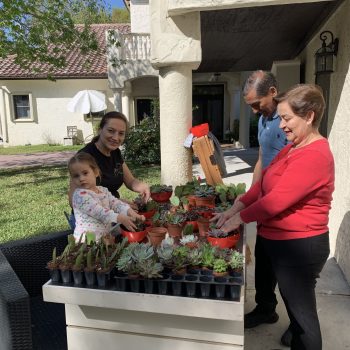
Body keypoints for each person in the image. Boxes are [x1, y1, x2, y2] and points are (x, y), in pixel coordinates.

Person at [212, 84, 334, 349]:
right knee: (288, 301)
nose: (281, 126)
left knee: (303, 319)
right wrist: (235, 207)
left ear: (309, 116)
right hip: (276, 238)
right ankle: (269, 312)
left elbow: (276, 201)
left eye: (287, 118)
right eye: (281, 119)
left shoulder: (315, 154)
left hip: (299, 245)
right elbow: (265, 182)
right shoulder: (293, 147)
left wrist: (239, 219)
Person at [242, 70, 289, 340]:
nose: (254, 110)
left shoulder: (286, 121)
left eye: (256, 104)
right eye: (250, 105)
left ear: (272, 92)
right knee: (265, 259)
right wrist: (253, 192)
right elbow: (262, 156)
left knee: (287, 268)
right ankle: (265, 308)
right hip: (266, 201)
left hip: (282, 204)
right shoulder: (263, 119)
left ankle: (299, 322)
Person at [69, 111, 150, 207]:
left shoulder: (115, 152)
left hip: (113, 211)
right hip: (91, 218)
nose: (116, 138)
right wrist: (116, 204)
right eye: (111, 131)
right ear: (100, 130)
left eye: (121, 133)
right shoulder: (85, 157)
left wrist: (144, 187)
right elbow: (74, 200)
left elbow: (130, 181)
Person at [68, 152, 145, 242]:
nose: (81, 178)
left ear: (96, 172)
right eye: (76, 176)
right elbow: (100, 213)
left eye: (85, 173)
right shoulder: (80, 196)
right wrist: (121, 218)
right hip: (86, 243)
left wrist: (130, 211)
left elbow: (115, 203)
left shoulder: (103, 190)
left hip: (104, 239)